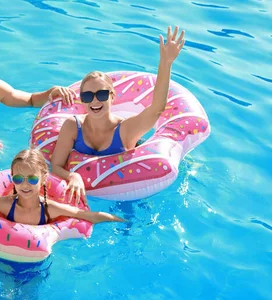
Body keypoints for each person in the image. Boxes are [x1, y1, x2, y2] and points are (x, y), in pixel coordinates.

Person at [50, 26, 186, 205]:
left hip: (127, 194)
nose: (95, 101)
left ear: (112, 96)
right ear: (82, 100)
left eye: (102, 94)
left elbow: (157, 109)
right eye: (88, 96)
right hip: (88, 196)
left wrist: (166, 63)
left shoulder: (125, 130)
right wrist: (72, 176)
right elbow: (56, 166)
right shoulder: (72, 126)